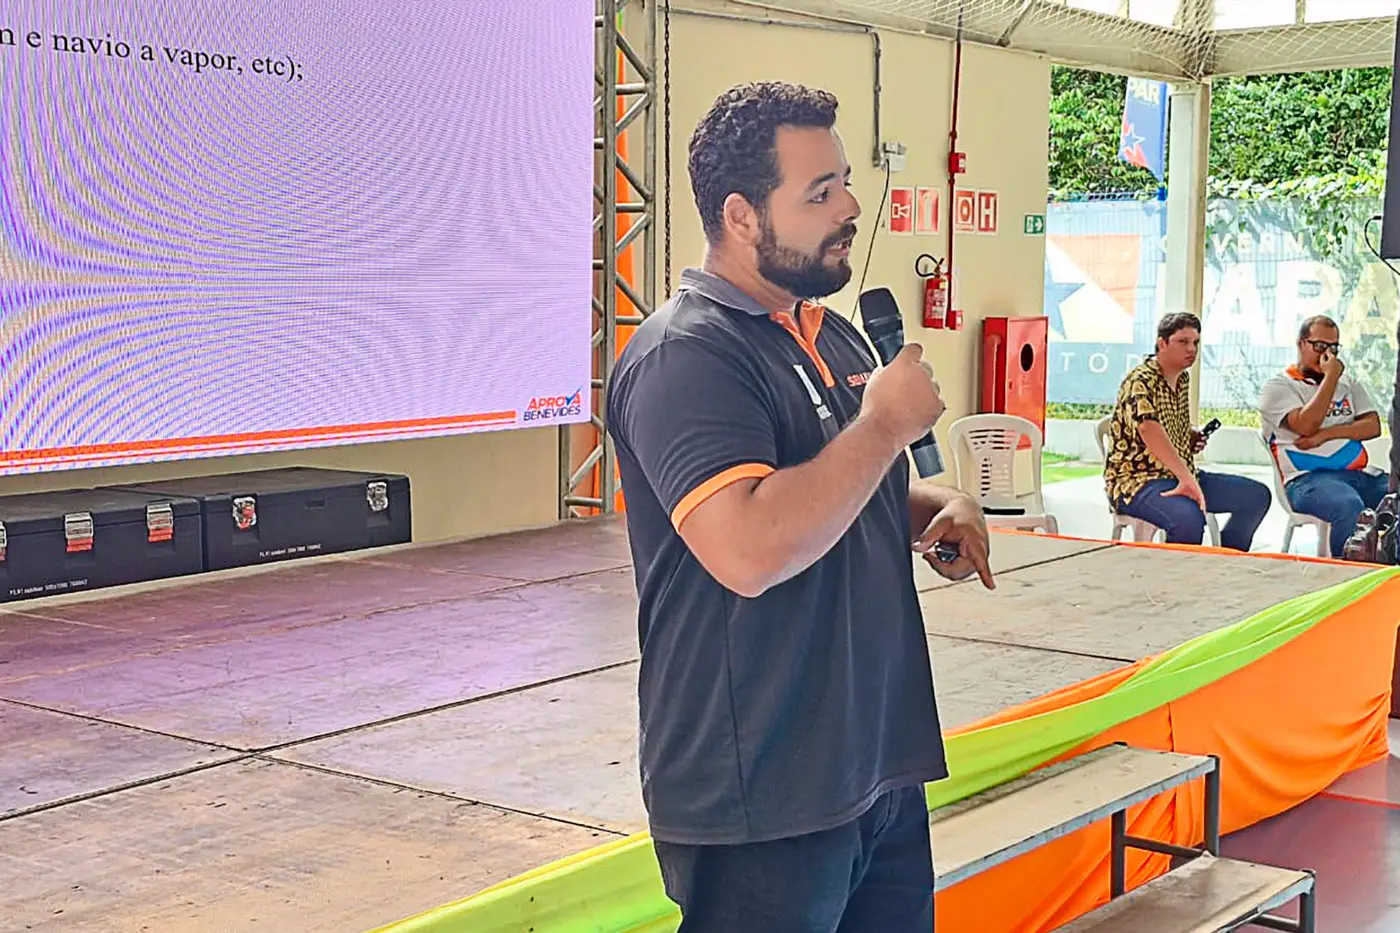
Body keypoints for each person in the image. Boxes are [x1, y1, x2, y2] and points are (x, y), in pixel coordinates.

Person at [605, 81, 994, 932]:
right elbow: (749, 547)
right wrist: (883, 426)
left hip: (874, 767)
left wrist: (941, 504)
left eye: (845, 182)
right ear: (741, 216)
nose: (850, 206)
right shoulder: (686, 356)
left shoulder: (831, 334)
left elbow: (851, 490)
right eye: (820, 193)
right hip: (763, 795)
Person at [1103, 312, 1271, 550]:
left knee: (1256, 496)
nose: (1192, 349)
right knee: (1188, 519)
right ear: (1162, 343)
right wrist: (1186, 478)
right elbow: (1147, 428)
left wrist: (1189, 438)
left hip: (1180, 474)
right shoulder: (1140, 380)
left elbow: (1167, 428)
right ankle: (1179, 573)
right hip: (1138, 480)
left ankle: (1228, 557)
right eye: (1183, 341)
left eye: (1195, 342)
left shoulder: (1182, 379)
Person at [1259, 315, 1385, 558]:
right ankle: (1345, 572)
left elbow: (1373, 426)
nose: (1327, 355)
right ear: (1300, 344)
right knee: (1348, 506)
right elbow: (1307, 425)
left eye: (1333, 348)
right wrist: (1330, 378)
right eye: (1319, 346)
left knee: (1394, 497)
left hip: (1358, 474)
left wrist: (1327, 434)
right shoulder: (1279, 387)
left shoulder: (1348, 383)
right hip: (1307, 480)